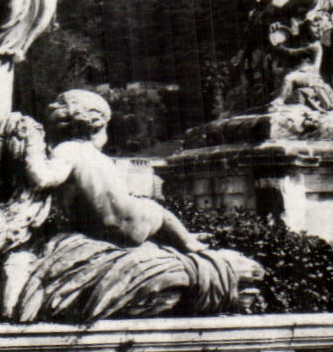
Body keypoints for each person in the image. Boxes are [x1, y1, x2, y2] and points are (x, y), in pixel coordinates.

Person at [18, 89, 209, 252]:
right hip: (139, 222)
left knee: (150, 209)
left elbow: (41, 179)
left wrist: (31, 145)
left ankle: (188, 240)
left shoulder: (68, 150)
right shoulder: (102, 159)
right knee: (157, 210)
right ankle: (188, 241)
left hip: (104, 231)